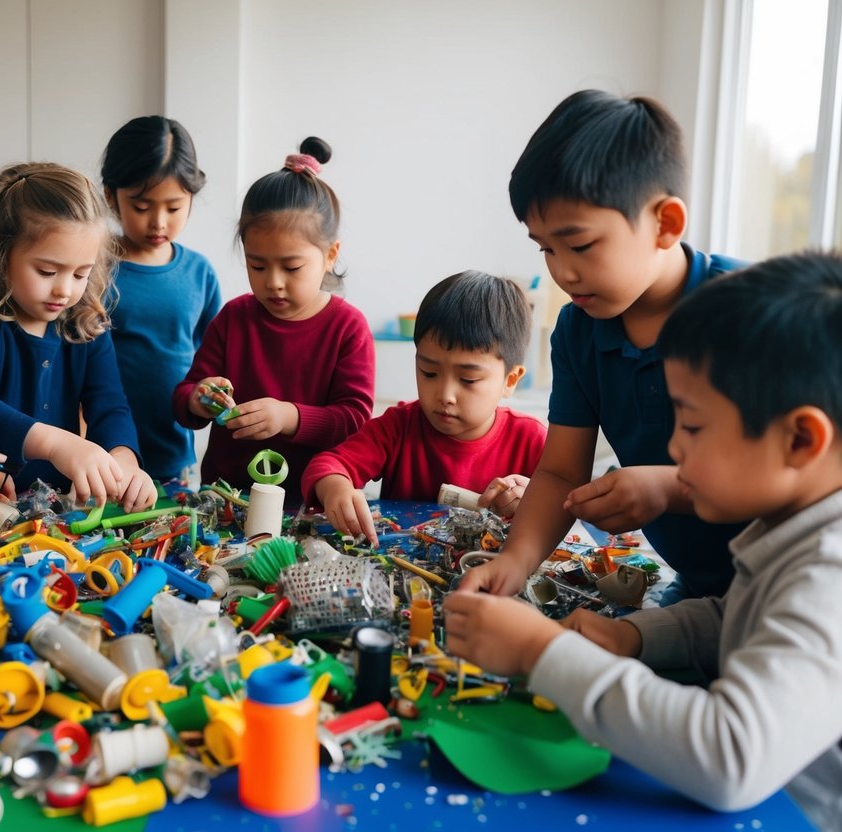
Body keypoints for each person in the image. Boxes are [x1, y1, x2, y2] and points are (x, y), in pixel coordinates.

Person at [444, 252, 842, 828]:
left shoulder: (829, 575)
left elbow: (730, 757)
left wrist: (541, 652)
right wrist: (634, 635)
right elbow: (737, 620)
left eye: (695, 427)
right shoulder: (794, 526)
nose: (674, 449)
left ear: (801, 440)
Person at [460, 89, 747, 603]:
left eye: (581, 245)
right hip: (699, 589)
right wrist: (514, 563)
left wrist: (668, 489)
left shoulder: (752, 310)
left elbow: (804, 471)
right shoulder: (578, 330)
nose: (562, 271)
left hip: (791, 583)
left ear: (665, 224)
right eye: (545, 247)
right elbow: (559, 471)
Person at [0, 162, 157, 511]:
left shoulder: (84, 318)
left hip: (45, 505)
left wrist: (124, 461)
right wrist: (59, 445)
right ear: (1, 254)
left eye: (81, 273)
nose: (64, 289)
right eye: (47, 271)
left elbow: (108, 404)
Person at [172, 137, 375, 502]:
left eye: (291, 267)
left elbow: (353, 419)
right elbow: (186, 393)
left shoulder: (347, 327)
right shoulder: (234, 318)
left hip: (310, 501)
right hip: (228, 498)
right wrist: (199, 399)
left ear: (330, 255)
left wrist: (288, 417)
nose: (274, 282)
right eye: (258, 265)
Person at [301, 271, 547, 546]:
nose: (445, 395)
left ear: (510, 380)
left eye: (468, 380)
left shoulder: (530, 439)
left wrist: (533, 503)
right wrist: (336, 487)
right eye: (429, 373)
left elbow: (562, 506)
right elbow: (327, 465)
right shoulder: (398, 427)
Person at [100, 116, 222, 484]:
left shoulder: (200, 273)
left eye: (173, 207)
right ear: (111, 195)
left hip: (173, 454)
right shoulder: (90, 269)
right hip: (101, 454)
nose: (158, 221)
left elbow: (212, 359)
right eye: (141, 206)